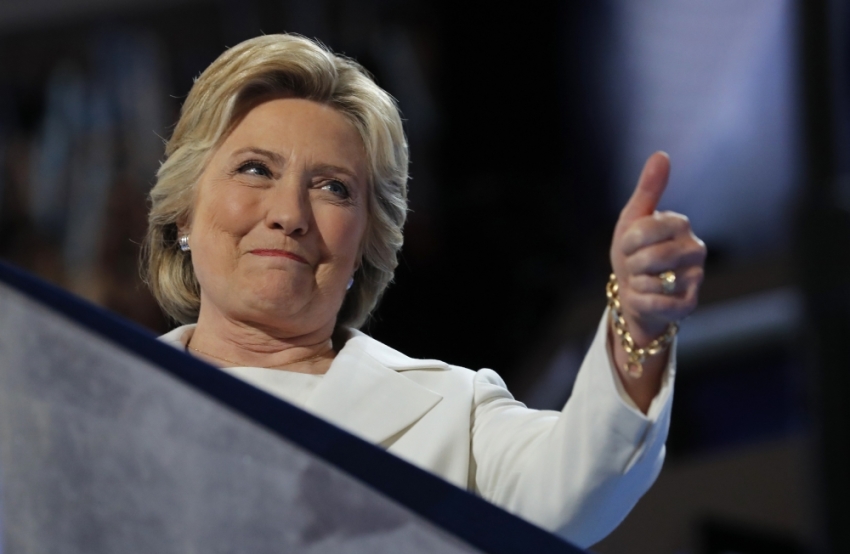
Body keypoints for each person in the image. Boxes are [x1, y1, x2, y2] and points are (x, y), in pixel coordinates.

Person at [145, 34, 706, 548]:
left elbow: (580, 479)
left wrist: (637, 324)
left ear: (368, 241)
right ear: (183, 213)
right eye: (255, 170)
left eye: (333, 187)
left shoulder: (451, 417)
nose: (289, 214)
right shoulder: (93, 395)